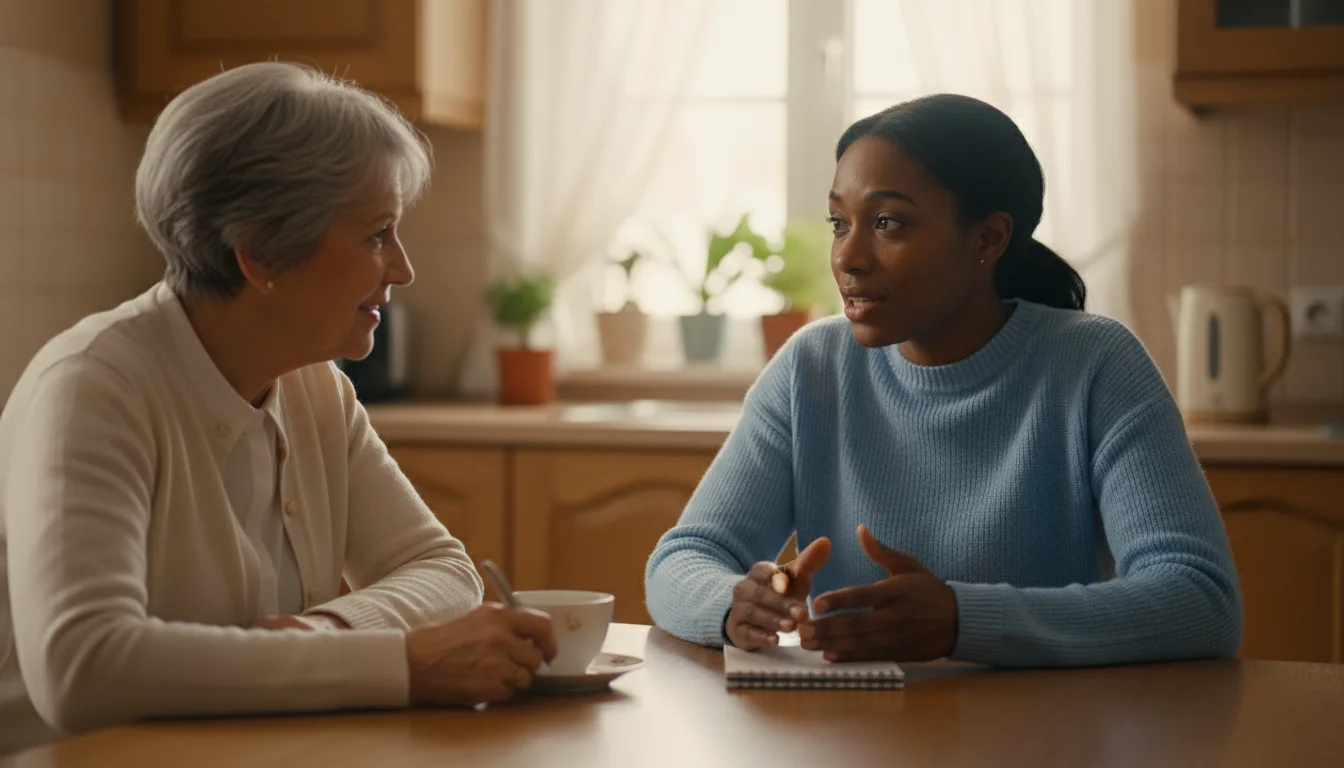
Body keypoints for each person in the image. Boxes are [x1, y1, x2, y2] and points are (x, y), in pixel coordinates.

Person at [0, 62, 556, 755]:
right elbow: (83, 666)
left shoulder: (317, 389)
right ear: (261, 254)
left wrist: (332, 632)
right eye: (377, 234)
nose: (402, 269)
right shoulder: (92, 385)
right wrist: (401, 663)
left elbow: (444, 570)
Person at [645, 94, 1242, 667]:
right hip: (850, 737)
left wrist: (963, 621)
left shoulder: (1095, 364)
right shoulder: (812, 367)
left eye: (887, 222)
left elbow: (1199, 600)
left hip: (1046, 736)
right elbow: (682, 560)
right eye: (838, 222)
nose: (848, 257)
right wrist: (734, 604)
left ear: (988, 238)